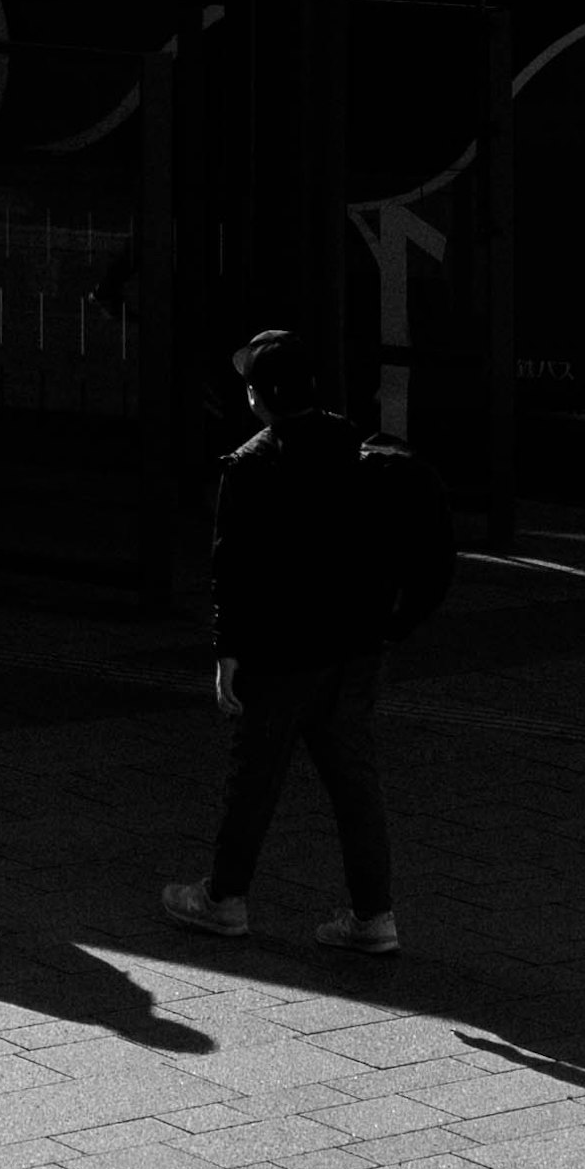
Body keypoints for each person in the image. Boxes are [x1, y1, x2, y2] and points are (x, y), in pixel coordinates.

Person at [161, 324, 437, 961]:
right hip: (355, 649)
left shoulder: (252, 465)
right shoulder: (356, 447)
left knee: (255, 776)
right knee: (355, 783)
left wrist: (228, 652)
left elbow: (232, 567)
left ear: (257, 398)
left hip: (283, 654)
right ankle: (374, 915)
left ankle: (224, 900)